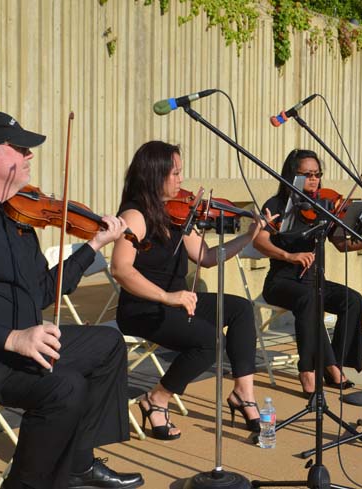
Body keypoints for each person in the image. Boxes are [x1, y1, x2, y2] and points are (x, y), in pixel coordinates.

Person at [0, 111, 144, 489]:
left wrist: (93, 246)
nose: (30, 156)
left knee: (107, 344)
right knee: (64, 387)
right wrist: (14, 338)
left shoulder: (18, 218)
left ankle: (77, 465)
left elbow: (42, 290)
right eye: (21, 148)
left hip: (14, 343)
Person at [111, 140, 268, 440]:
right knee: (208, 341)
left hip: (177, 301)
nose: (181, 180)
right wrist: (167, 296)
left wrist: (248, 237)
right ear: (154, 175)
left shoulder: (178, 213)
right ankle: (156, 398)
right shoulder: (135, 216)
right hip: (143, 308)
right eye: (175, 173)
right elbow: (121, 269)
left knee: (240, 310)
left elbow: (207, 257)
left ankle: (243, 393)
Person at [253, 149, 362, 396]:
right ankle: (308, 370)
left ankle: (334, 362)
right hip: (282, 282)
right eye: (307, 174)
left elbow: (342, 245)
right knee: (309, 300)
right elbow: (259, 241)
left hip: (314, 281)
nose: (314, 179)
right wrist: (289, 256)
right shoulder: (276, 205)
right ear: (291, 175)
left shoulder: (324, 206)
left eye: (317, 174)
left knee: (353, 300)